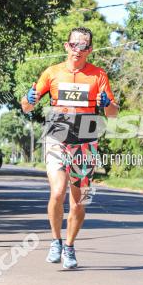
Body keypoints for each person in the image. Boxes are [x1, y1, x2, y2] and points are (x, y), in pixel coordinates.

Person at [20, 27, 118, 269]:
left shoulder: (98, 75)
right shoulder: (52, 73)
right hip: (57, 135)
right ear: (66, 46)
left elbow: (113, 113)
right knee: (57, 191)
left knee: (78, 202)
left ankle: (70, 246)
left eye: (83, 46)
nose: (78, 50)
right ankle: (55, 240)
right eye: (74, 44)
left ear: (90, 50)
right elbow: (26, 107)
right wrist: (29, 99)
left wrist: (107, 104)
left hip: (85, 139)